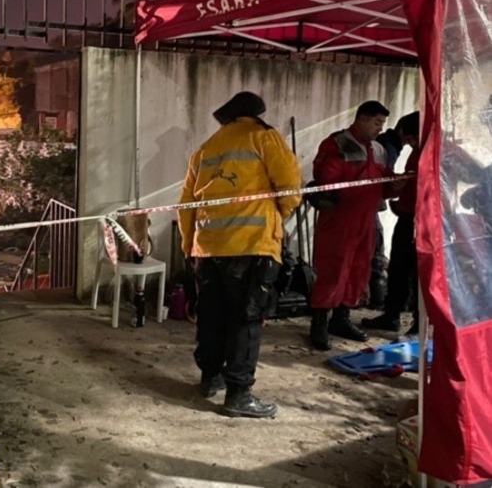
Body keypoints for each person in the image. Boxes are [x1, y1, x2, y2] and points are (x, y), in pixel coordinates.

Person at [178, 91, 301, 418]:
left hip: (207, 248)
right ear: (256, 114)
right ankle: (238, 395)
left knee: (212, 316)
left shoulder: (205, 150)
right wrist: (278, 218)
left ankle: (210, 378)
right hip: (251, 245)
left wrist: (189, 246)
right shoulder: (264, 137)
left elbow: (185, 206)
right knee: (246, 320)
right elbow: (290, 188)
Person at [309, 101, 403, 351]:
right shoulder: (337, 143)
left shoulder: (380, 150)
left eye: (382, 123)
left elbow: (382, 184)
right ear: (361, 118)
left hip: (367, 220)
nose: (379, 128)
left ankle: (341, 320)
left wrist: (395, 185)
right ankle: (319, 324)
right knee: (332, 270)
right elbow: (325, 180)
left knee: (358, 270)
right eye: (376, 123)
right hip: (339, 221)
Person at [362, 111, 421, 335]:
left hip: (424, 223)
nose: (409, 144)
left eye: (411, 139)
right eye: (406, 141)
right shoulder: (416, 152)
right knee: (398, 268)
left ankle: (418, 322)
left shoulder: (440, 152)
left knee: (418, 273)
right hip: (406, 217)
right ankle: (391, 315)